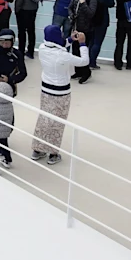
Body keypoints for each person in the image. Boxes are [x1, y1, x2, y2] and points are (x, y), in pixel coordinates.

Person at [31, 25, 88, 166]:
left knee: (44, 118)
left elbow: (58, 44)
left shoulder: (43, 48)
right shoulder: (64, 56)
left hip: (46, 89)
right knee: (57, 123)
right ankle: (53, 153)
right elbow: (84, 61)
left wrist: (70, 40)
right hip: (61, 92)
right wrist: (82, 43)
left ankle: (37, 150)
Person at [66, 0, 97, 84]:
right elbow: (70, 7)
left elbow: (91, 14)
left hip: (86, 29)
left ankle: (86, 72)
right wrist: (71, 15)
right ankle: (78, 71)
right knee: (75, 51)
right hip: (75, 28)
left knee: (82, 51)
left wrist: (83, 4)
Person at [0, 28, 26, 93]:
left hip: (9, 85)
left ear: (12, 42)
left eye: (7, 43)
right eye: (2, 43)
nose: (4, 45)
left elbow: (23, 73)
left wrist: (9, 79)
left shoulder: (17, 55)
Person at [88, 0, 115, 70]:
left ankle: (87, 61)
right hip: (102, 21)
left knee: (91, 42)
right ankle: (92, 62)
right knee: (97, 42)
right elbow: (112, 4)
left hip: (91, 21)